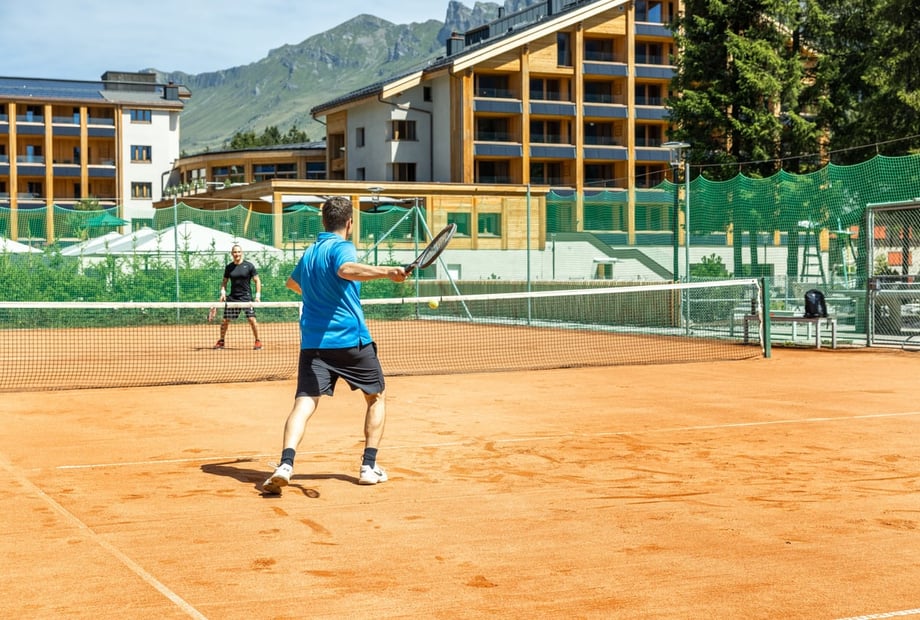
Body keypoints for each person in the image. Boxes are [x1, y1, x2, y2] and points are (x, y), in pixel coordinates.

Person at [263, 196, 406, 494]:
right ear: (349, 223)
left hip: (313, 343)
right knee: (376, 397)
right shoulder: (342, 246)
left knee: (304, 403)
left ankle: (285, 465)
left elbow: (292, 283)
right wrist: (387, 272)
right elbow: (345, 269)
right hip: (350, 340)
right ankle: (368, 467)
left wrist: (318, 296)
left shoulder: (310, 252)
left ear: (323, 221)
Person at [215, 244, 263, 350]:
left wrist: (258, 295)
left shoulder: (249, 266)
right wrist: (223, 292)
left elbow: (257, 280)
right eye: (235, 252)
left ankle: (258, 341)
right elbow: (224, 282)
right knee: (225, 320)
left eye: (238, 252)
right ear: (232, 254)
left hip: (246, 297)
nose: (237, 254)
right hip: (233, 298)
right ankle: (221, 341)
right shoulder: (229, 267)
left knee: (252, 319)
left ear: (242, 253)